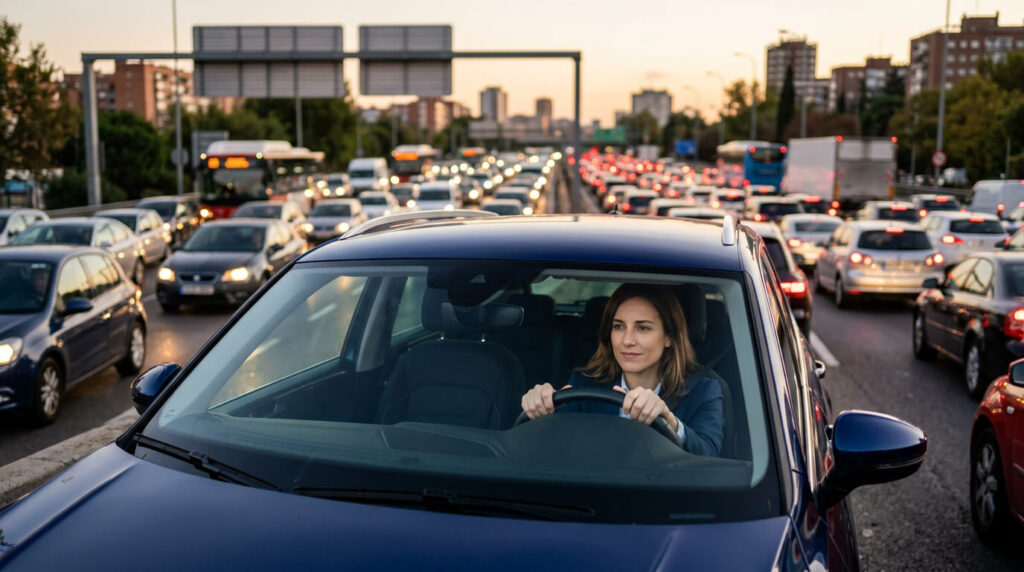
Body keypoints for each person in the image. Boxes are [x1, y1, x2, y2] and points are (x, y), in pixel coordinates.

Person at [520, 283, 724, 457]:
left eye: (643, 328)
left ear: (669, 337)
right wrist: (541, 412)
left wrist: (670, 421)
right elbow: (557, 451)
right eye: (618, 327)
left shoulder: (703, 391)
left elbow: (709, 455)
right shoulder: (583, 384)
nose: (626, 341)